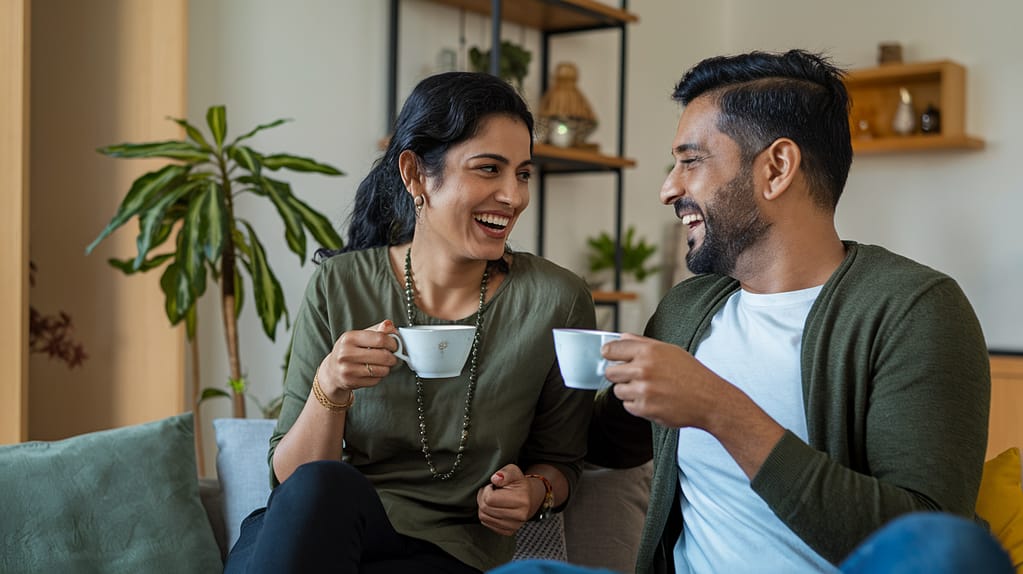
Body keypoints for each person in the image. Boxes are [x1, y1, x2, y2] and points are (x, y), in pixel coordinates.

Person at [582, 49, 995, 573]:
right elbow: (610, 443)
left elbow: (929, 547)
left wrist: (721, 411)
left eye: (690, 161)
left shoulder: (914, 311)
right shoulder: (685, 311)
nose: (669, 188)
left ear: (776, 168)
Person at [223, 71, 597, 574]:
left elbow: (562, 461)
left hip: (445, 553)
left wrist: (534, 491)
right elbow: (293, 481)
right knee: (321, 486)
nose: (513, 196)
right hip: (314, 534)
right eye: (489, 169)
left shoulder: (556, 301)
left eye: (523, 173)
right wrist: (330, 385)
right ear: (416, 175)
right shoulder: (339, 285)